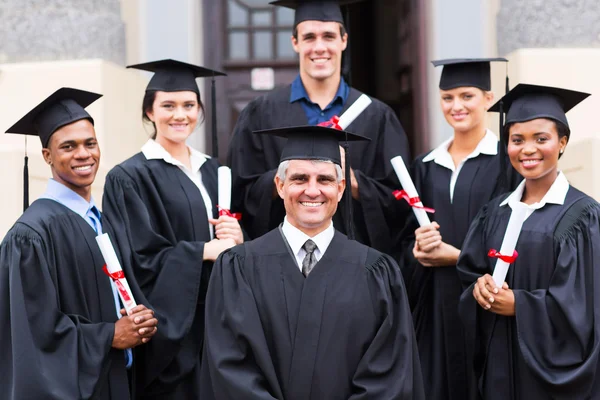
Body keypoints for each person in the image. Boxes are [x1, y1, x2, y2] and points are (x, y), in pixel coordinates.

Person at [201, 125, 425, 400]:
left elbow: (390, 374)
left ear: (341, 189)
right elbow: (228, 366)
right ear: (280, 186)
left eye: (325, 180)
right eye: (299, 179)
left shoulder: (377, 272)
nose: (312, 190)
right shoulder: (238, 268)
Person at [0, 87, 158, 399]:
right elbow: (33, 334)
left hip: (116, 379)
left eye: (90, 143)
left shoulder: (99, 220)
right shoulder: (30, 235)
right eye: (68, 147)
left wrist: (138, 319)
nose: (83, 154)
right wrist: (109, 335)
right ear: (48, 156)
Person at [102, 59, 243, 399]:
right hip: (173, 335)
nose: (180, 115)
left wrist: (238, 239)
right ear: (149, 112)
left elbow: (232, 249)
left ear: (199, 111)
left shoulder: (213, 170)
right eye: (168, 105)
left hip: (218, 324)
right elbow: (137, 257)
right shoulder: (130, 177)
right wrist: (202, 251)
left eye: (188, 105)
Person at [227, 0, 411, 256]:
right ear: (295, 42)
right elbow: (239, 196)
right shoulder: (260, 114)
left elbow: (400, 204)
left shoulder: (376, 116)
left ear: (344, 40)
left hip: (356, 266)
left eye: (328, 36)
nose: (319, 47)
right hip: (278, 266)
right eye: (309, 37)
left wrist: (353, 181)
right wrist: (286, 176)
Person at [457, 84, 600, 399]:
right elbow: (469, 275)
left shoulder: (581, 217)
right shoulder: (493, 213)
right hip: (498, 366)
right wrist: (479, 288)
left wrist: (520, 306)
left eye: (542, 139)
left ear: (562, 143)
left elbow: (584, 307)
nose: (528, 149)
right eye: (517, 140)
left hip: (547, 378)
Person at [399, 58, 521, 400]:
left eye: (467, 96)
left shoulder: (507, 162)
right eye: (447, 97)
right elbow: (401, 238)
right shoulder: (423, 166)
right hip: (434, 306)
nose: (456, 106)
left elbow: (518, 234)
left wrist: (457, 257)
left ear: (488, 98)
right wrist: (417, 249)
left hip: (485, 305)